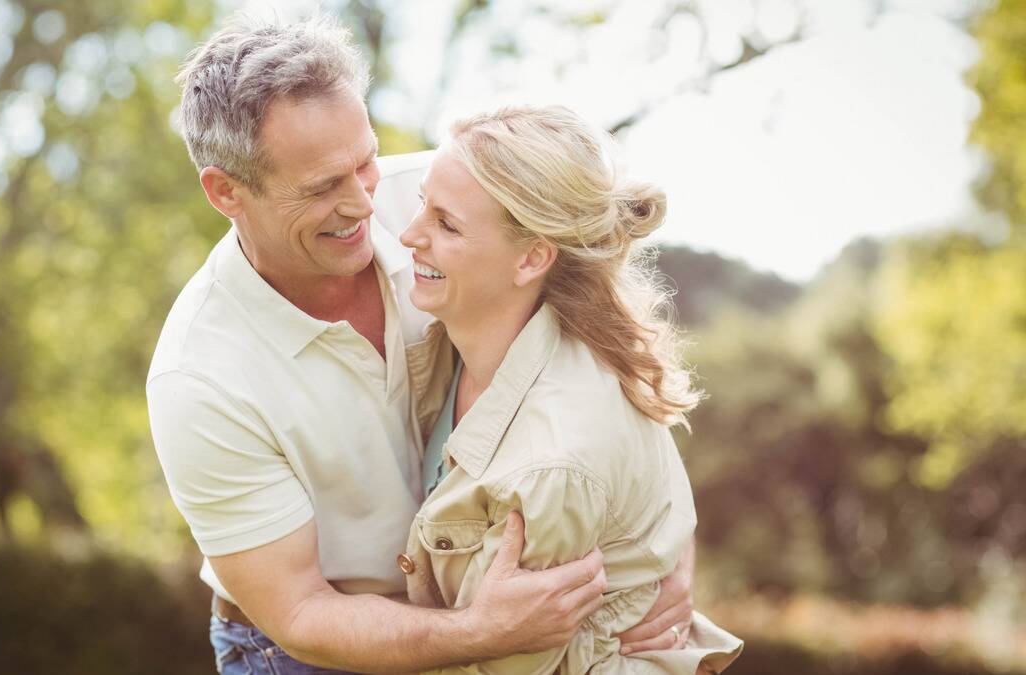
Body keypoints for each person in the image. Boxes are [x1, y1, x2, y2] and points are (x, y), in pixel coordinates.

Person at [147, 16, 697, 674]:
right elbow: (299, 613)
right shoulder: (200, 376)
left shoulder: (444, 195)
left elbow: (595, 335)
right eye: (323, 187)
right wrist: (478, 630)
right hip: (307, 650)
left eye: (366, 160)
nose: (366, 204)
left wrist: (664, 545)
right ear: (226, 191)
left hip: (476, 610)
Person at [396, 105, 744, 674]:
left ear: (532, 256)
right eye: (420, 206)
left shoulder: (549, 467)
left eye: (447, 224)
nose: (408, 235)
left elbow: (494, 665)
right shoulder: (482, 340)